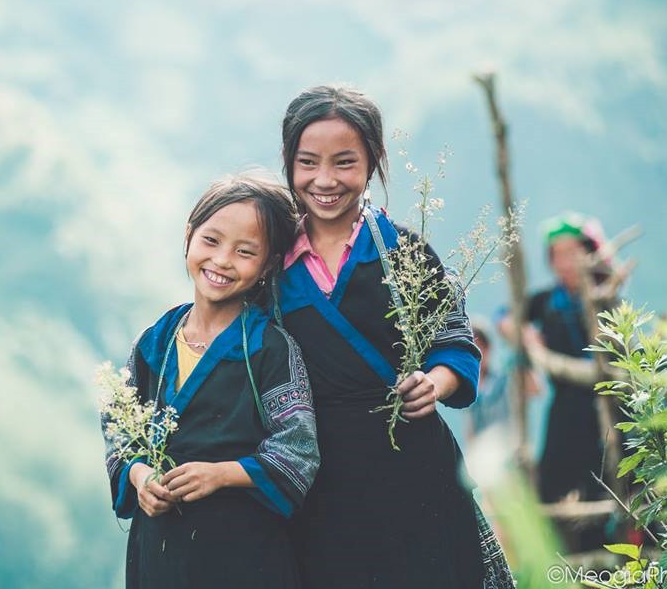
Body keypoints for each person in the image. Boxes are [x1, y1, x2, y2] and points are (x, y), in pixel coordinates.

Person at [276, 85, 489, 588]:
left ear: (372, 162)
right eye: (308, 163)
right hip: (314, 483)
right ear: (288, 163)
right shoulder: (269, 259)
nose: (324, 180)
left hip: (412, 474)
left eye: (344, 162)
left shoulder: (406, 253)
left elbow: (456, 346)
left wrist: (433, 384)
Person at [101, 173, 320, 589]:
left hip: (244, 556)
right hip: (159, 554)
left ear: (267, 265)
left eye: (244, 251)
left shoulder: (269, 348)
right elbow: (119, 428)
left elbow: (299, 452)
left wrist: (222, 474)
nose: (221, 261)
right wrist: (140, 476)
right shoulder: (155, 342)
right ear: (189, 236)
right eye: (211, 241)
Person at [498, 213, 609, 512]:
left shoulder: (605, 300)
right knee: (552, 485)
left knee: (605, 482)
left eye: (572, 252)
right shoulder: (547, 301)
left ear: (590, 253)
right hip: (564, 405)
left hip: (604, 407)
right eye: (557, 255)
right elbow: (506, 318)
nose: (565, 262)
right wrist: (528, 347)